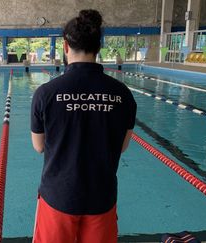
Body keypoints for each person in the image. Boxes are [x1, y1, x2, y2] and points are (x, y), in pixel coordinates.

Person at [30, 9, 137, 243]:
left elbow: (38, 146)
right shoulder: (122, 94)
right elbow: (122, 147)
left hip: (58, 196)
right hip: (102, 197)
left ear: (65, 46)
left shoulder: (46, 94)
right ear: (99, 47)